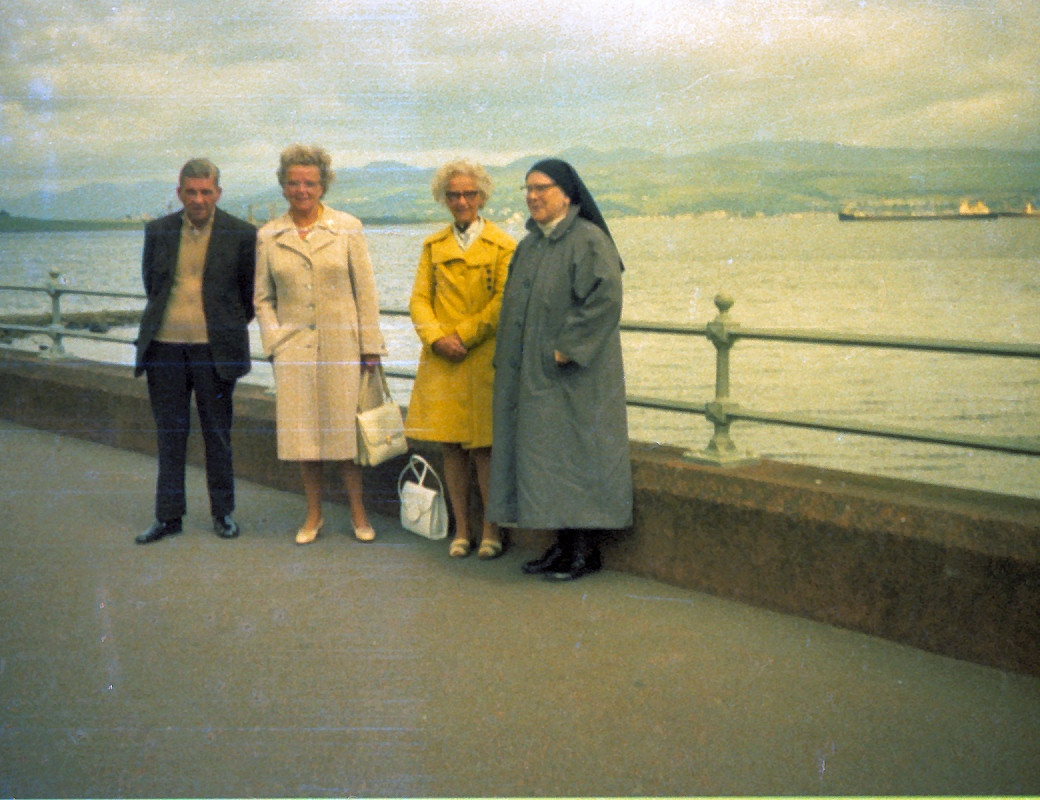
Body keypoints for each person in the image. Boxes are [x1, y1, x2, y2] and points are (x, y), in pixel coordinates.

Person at [487, 158, 633, 581]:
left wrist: (567, 349)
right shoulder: (530, 245)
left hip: (576, 377)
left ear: (567, 195)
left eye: (542, 188)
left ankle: (586, 552)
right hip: (536, 377)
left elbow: (606, 297)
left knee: (578, 456)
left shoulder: (589, 240)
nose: (532, 196)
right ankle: (563, 547)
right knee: (548, 459)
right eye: (528, 189)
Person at [254, 144, 386, 545]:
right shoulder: (268, 235)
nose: (302, 190)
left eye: (310, 183)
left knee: (345, 436)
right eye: (294, 183)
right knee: (304, 439)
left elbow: (366, 292)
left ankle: (359, 513)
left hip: (342, 348)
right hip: (293, 351)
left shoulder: (348, 227)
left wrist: (370, 346)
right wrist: (275, 343)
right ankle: (313, 515)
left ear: (323, 185)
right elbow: (263, 299)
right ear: (283, 186)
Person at [134, 158, 257, 544]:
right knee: (170, 435)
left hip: (214, 351)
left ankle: (223, 513)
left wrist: (220, 327)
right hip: (164, 349)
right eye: (191, 191)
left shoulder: (242, 234)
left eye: (206, 192)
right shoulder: (158, 231)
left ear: (218, 192)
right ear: (179, 193)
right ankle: (168, 517)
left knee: (217, 434)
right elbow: (152, 285)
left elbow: (248, 297)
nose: (198, 199)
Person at [405, 160, 516, 559]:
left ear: (482, 196)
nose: (462, 201)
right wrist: (436, 338)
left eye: (469, 194)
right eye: (454, 195)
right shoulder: (433, 246)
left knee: (486, 449)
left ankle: (491, 530)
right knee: (451, 447)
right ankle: (462, 530)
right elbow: (419, 300)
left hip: (484, 357)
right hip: (444, 359)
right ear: (444, 199)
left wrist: (463, 335)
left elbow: (504, 301)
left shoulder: (504, 246)